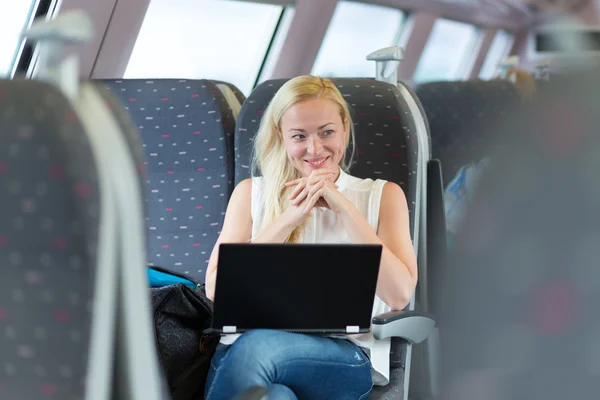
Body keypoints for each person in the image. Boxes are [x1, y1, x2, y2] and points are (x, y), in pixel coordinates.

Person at [204, 75, 418, 400]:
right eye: (299, 136)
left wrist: (345, 209)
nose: (314, 148)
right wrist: (291, 217)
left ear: (345, 127)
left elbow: (399, 295)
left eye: (327, 132)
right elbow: (217, 290)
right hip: (245, 352)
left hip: (339, 358)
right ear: (281, 137)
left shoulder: (382, 195)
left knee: (258, 347)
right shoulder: (250, 194)